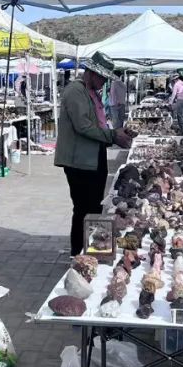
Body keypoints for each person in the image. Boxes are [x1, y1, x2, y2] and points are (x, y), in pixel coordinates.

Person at [54, 52, 133, 255]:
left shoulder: (91, 92)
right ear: (91, 72)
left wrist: (116, 132)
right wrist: (113, 136)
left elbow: (97, 123)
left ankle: (93, 249)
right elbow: (83, 126)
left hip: (93, 156)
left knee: (94, 206)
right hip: (79, 161)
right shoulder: (75, 91)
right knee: (83, 208)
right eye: (103, 77)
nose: (104, 82)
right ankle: (78, 252)